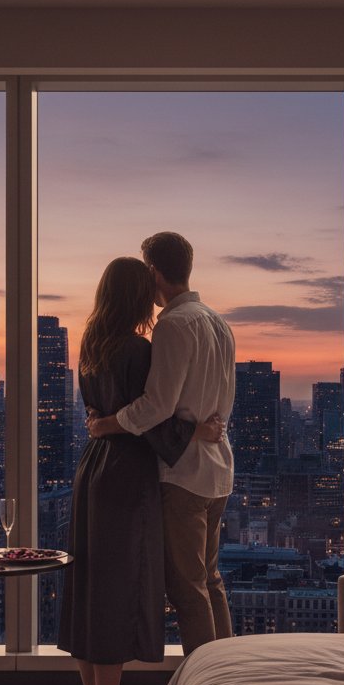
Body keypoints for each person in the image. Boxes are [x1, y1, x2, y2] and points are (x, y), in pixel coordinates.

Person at [59, 256, 221, 685]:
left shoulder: (92, 345)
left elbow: (108, 413)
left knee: (91, 588)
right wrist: (198, 433)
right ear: (135, 295)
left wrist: (108, 423)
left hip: (93, 468)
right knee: (118, 591)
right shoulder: (137, 350)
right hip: (127, 476)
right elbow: (153, 417)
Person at [89, 232, 236, 655]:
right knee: (210, 580)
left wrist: (106, 425)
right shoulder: (217, 321)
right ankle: (228, 675)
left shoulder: (173, 324)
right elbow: (220, 403)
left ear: (154, 272)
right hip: (218, 469)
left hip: (185, 474)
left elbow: (156, 406)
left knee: (188, 589)